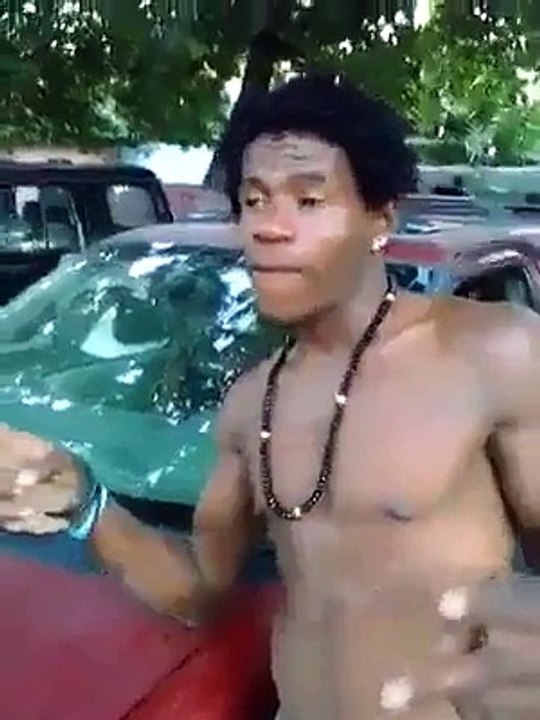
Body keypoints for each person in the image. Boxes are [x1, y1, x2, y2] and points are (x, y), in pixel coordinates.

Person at [2, 74, 540, 720]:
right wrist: (86, 502)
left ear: (380, 219)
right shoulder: (252, 404)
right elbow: (198, 588)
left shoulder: (491, 352)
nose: (268, 227)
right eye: (254, 200)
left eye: (308, 200)